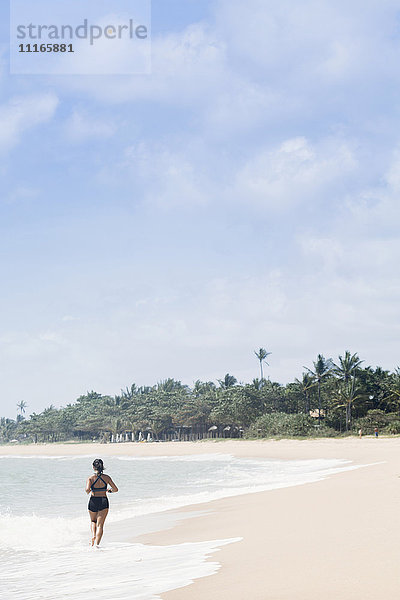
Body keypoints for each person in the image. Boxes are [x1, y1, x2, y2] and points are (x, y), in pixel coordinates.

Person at [85, 458, 118, 547]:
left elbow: (87, 490)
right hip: (103, 500)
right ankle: (97, 544)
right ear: (102, 467)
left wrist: (91, 489)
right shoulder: (107, 477)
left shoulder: (90, 478)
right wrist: (108, 491)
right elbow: (115, 489)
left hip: (93, 500)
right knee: (100, 525)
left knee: (93, 521)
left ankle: (93, 536)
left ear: (93, 467)